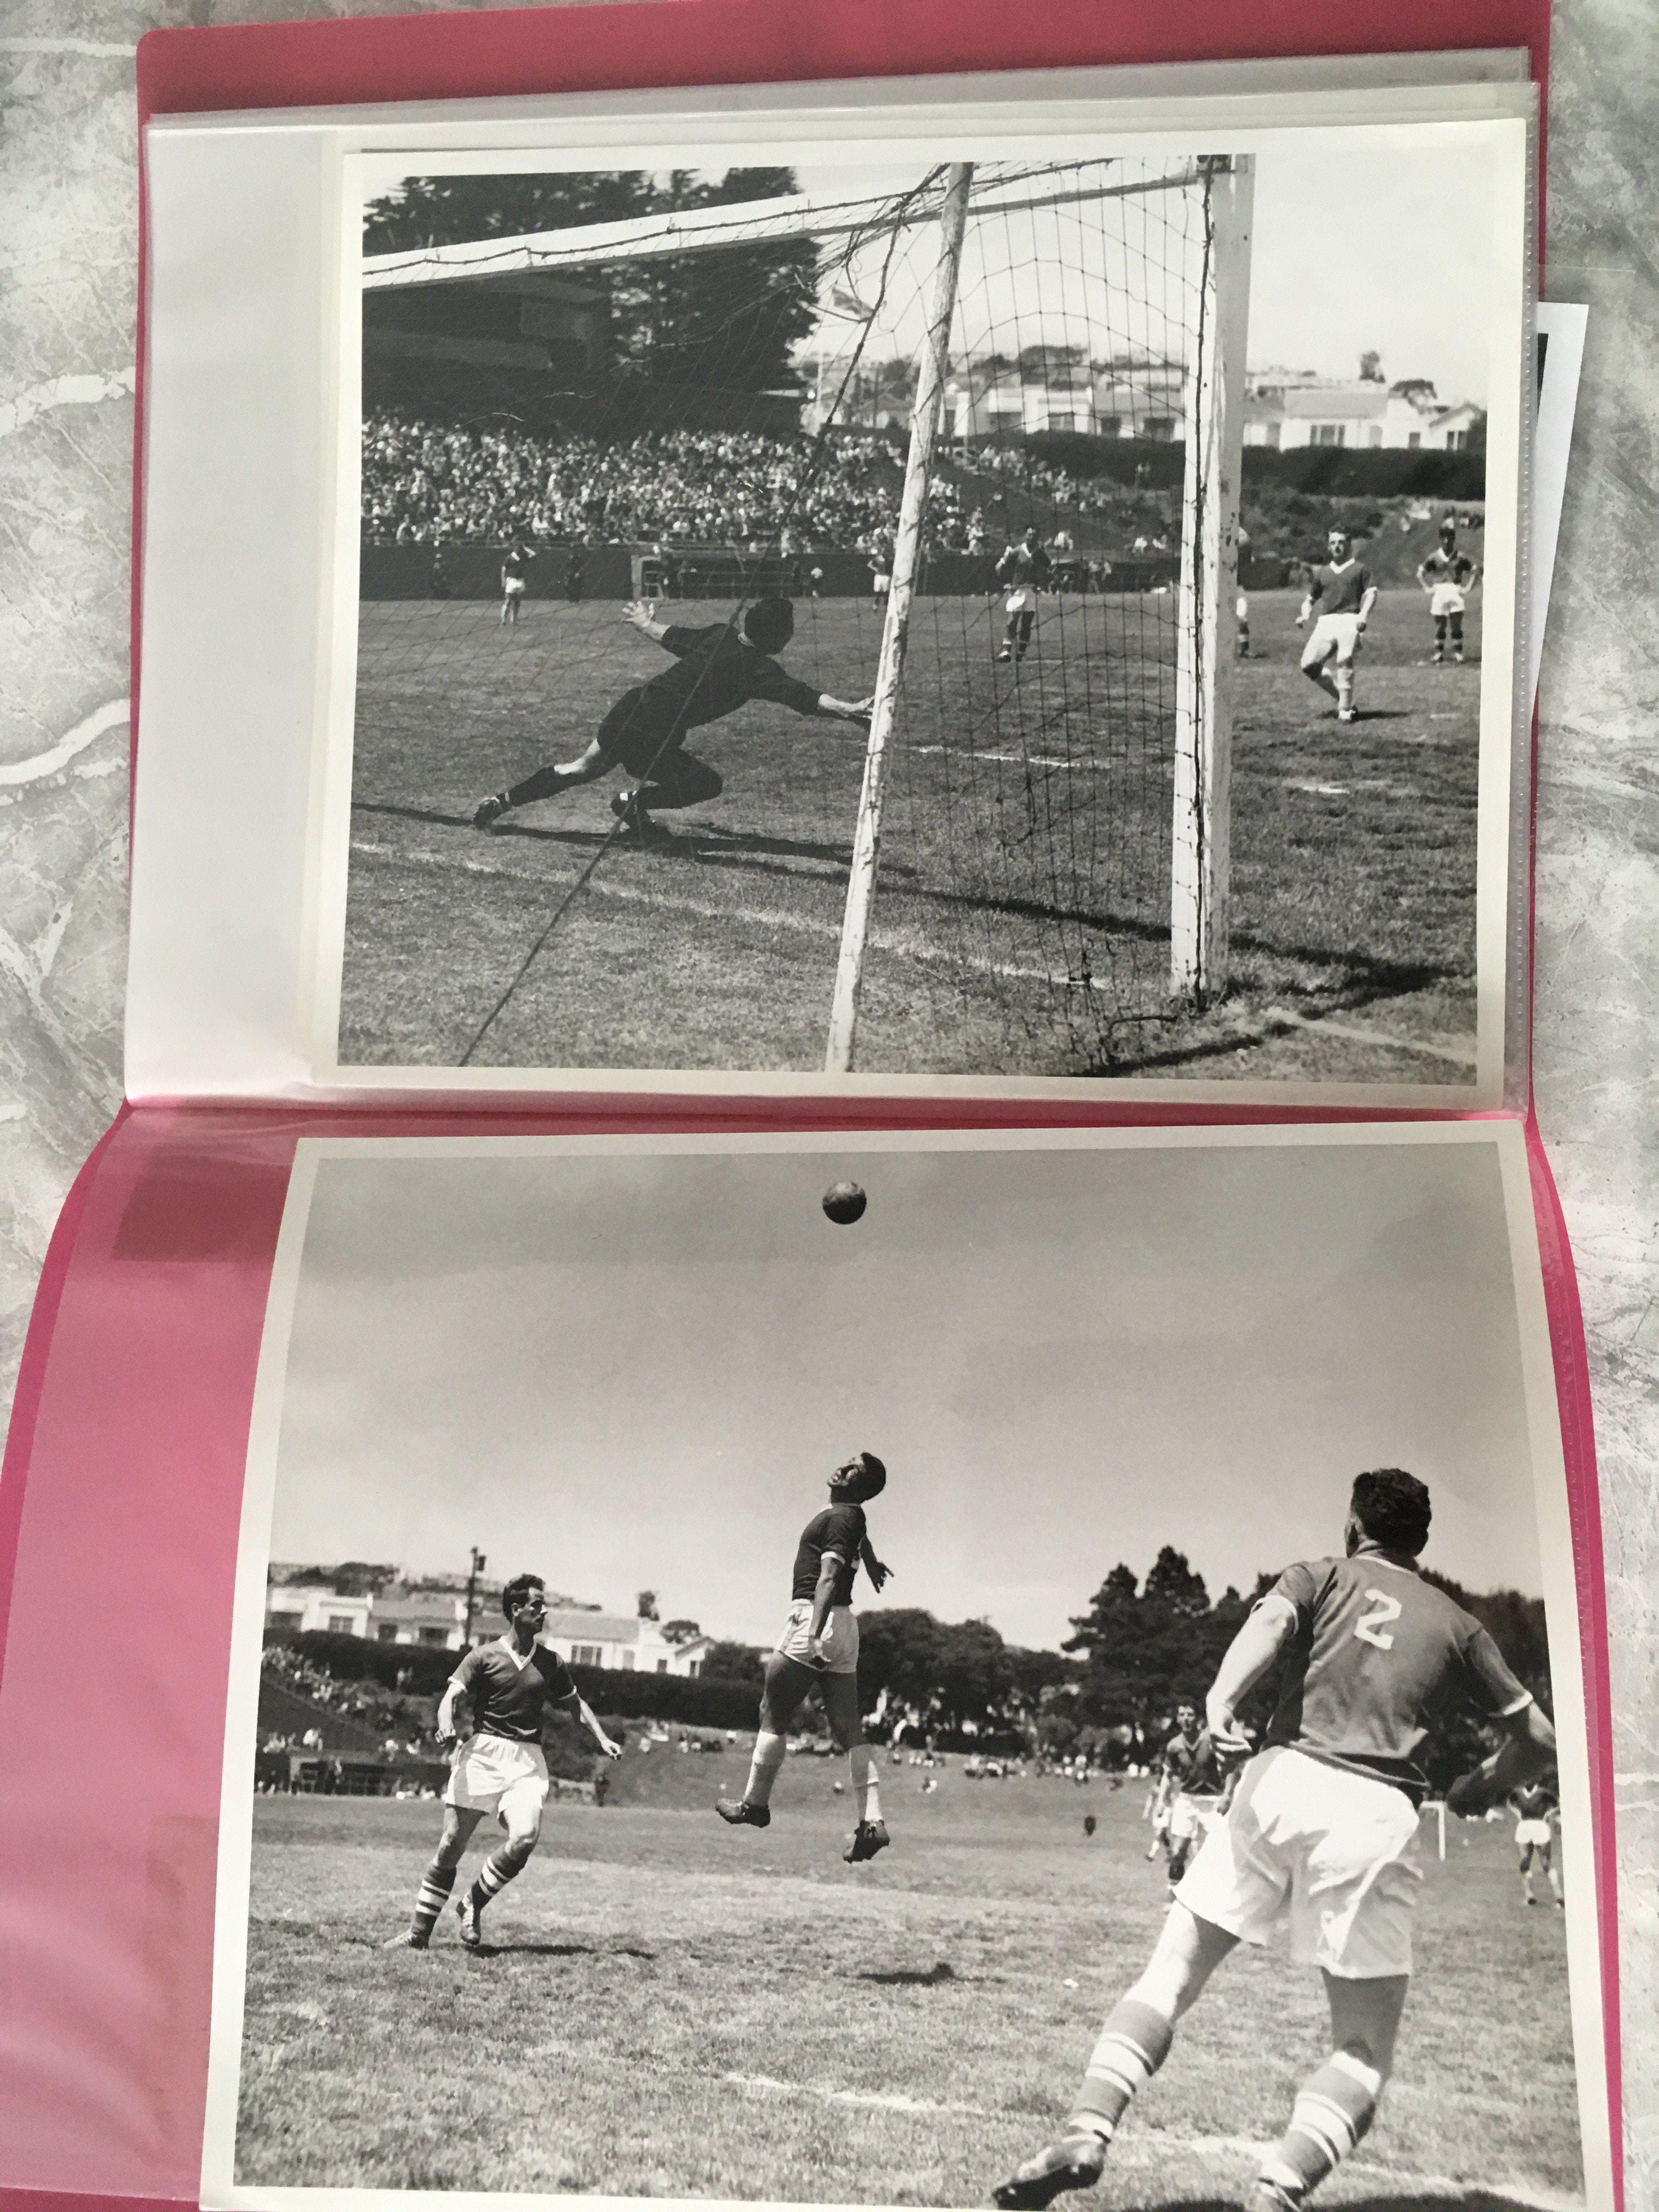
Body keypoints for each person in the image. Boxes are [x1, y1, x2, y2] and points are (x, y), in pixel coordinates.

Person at [994, 1468, 1556, 2212]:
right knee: (1361, 2049)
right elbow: (1537, 1738)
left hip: (1281, 1779)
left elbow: (1268, 1626)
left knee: (1167, 1979)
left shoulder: (1320, 1575)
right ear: (1420, 1540)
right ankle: (1278, 2189)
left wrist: (1222, 1705)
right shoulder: (1459, 1624)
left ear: (1356, 1525)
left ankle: (1088, 2128)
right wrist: (1486, 1781)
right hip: (1377, 1810)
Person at [472, 597, 871, 844]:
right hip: (652, 734)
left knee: (581, 769)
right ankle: (633, 804)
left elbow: (671, 636)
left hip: (631, 709)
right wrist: (850, 710)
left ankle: (502, 802)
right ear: (779, 636)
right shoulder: (758, 670)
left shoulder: (719, 634)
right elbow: (805, 698)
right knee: (705, 784)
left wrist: (645, 623)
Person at [387, 1574, 620, 1951]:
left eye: (544, 1604)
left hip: (527, 1759)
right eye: (535, 1605)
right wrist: (445, 1722)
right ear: (515, 1611)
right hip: (483, 1755)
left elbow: (577, 1705)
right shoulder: (483, 1656)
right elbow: (451, 1697)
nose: (543, 1611)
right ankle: (418, 1935)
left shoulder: (551, 1662)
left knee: (525, 1837)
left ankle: (472, 1903)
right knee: (450, 1846)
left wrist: (603, 1738)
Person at [715, 1451, 894, 1863]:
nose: (843, 1467)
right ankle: (873, 1822)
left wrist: (813, 1632)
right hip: (846, 1626)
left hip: (817, 1618)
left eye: (854, 1470)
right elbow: (859, 1538)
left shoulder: (840, 1517)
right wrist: (870, 1562)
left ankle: (755, 1805)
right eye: (848, 1461)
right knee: (849, 1728)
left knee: (772, 1711)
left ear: (862, 1488)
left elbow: (829, 1576)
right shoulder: (849, 1516)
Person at [1149, 1700, 1234, 1894]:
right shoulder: (1174, 1746)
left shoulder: (1211, 1741)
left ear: (1199, 1719)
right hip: (1187, 1800)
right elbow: (1167, 1776)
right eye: (1182, 1715)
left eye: (1190, 1715)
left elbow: (1231, 1769)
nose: (1186, 1719)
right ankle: (1174, 1894)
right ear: (1178, 1719)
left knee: (1221, 1849)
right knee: (1178, 1852)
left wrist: (1227, 1795)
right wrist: (1161, 1801)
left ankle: (1221, 1893)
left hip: (1212, 1801)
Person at [1295, 529, 1378, 723]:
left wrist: (1364, 616)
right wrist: (1305, 615)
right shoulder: (1323, 572)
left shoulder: (1361, 569)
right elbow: (1310, 599)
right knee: (1308, 665)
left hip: (1350, 619)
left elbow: (1372, 594)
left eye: (1341, 542)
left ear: (1349, 544)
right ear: (1328, 546)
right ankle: (1343, 698)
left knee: (1345, 658)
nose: (1336, 546)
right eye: (1332, 543)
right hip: (1327, 621)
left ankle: (1345, 710)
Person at [1415, 519, 1480, 664]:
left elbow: (1475, 571)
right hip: (1439, 591)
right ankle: (1439, 653)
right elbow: (1420, 573)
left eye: (1449, 537)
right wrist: (1427, 588)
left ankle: (1458, 653)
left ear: (1453, 539)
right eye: (1444, 537)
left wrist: (1468, 587)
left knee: (1456, 624)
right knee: (1440, 625)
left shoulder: (1460, 557)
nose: (1446, 540)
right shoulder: (1434, 557)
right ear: (1440, 539)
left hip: (1455, 590)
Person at [996, 526, 1052, 663]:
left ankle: (1021, 652)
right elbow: (999, 567)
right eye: (1029, 534)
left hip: (1031, 591)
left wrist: (1041, 586)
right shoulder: (1016, 552)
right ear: (1025, 536)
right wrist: (1006, 583)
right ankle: (1006, 652)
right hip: (1018, 591)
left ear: (1038, 537)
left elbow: (1049, 570)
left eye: (1034, 535)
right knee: (1012, 621)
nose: (1031, 537)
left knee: (1027, 623)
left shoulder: (1040, 554)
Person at [1511, 1776, 1564, 1905]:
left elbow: (1557, 1803)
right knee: (1525, 1862)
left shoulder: (1543, 1793)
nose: (1527, 1780)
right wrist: (1518, 1813)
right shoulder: (1518, 1792)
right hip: (1524, 1826)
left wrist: (1548, 1814)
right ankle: (1530, 1896)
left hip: (1540, 1826)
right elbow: (1510, 1802)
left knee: (1546, 1863)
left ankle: (1559, 1896)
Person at [499, 539, 535, 625]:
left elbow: (533, 555)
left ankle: (514, 620)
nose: (519, 549)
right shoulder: (509, 558)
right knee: (508, 601)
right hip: (511, 580)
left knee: (517, 602)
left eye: (520, 548)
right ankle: (504, 621)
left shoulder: (523, 557)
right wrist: (503, 581)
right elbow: (504, 570)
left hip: (520, 581)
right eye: (518, 547)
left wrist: (526, 548)